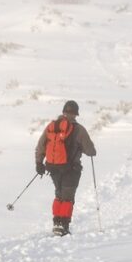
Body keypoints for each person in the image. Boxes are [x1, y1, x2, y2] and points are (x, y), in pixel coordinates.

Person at [34, 100, 96, 236]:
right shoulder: (79, 129)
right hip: (71, 169)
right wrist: (91, 151)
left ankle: (56, 223)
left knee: (59, 195)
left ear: (63, 111)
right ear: (76, 113)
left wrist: (39, 163)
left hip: (53, 168)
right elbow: (90, 150)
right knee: (68, 197)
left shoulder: (52, 127)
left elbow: (40, 146)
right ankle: (64, 225)